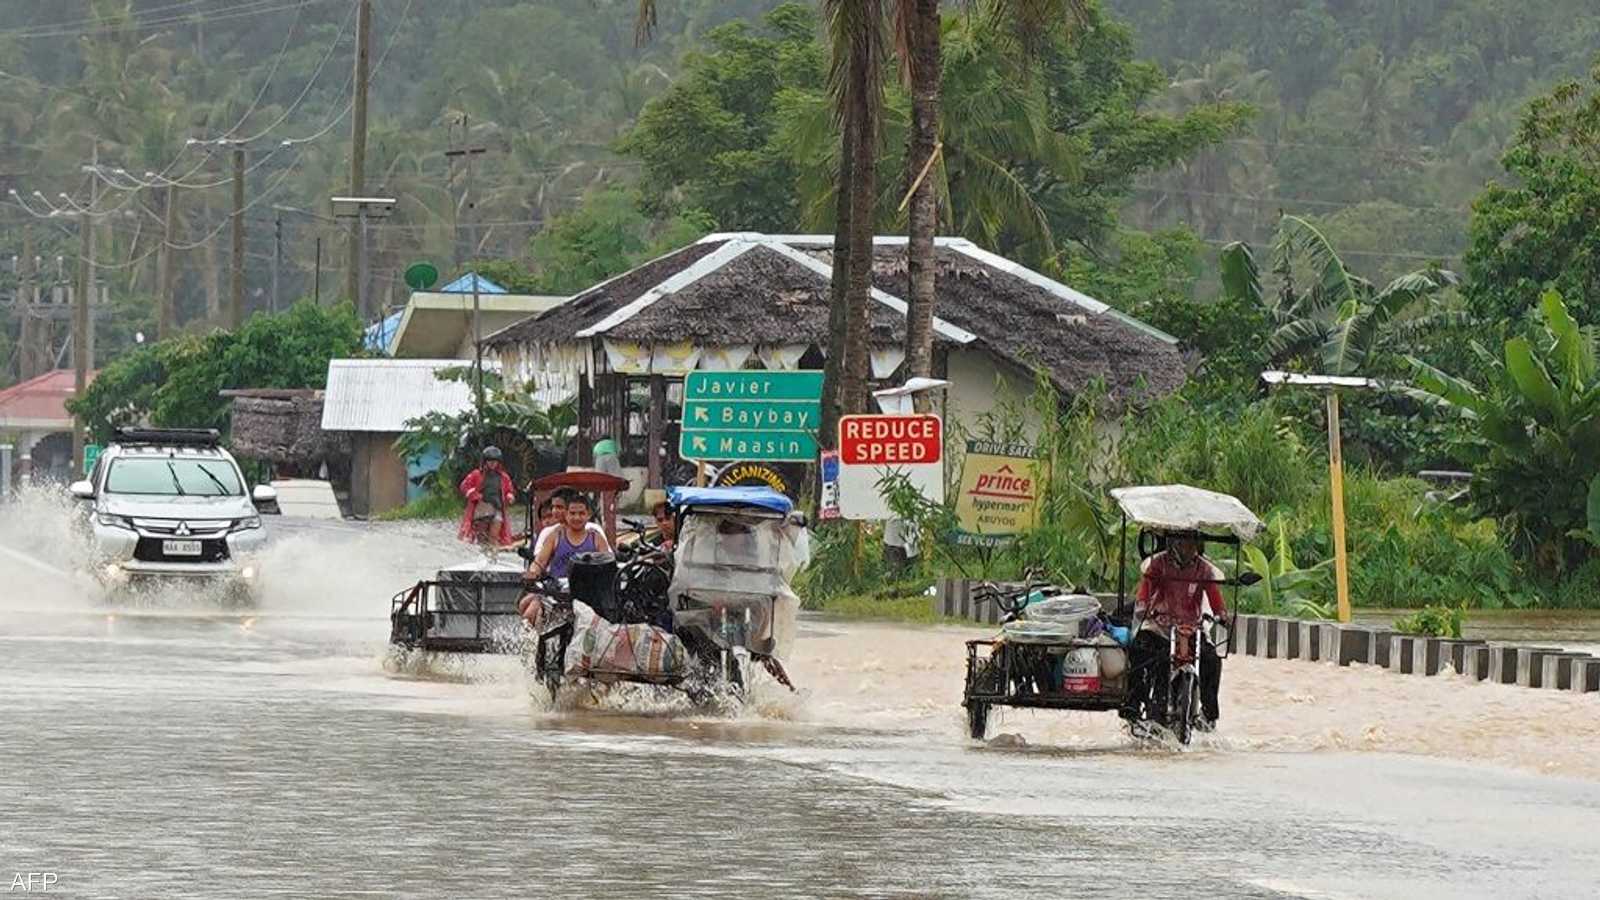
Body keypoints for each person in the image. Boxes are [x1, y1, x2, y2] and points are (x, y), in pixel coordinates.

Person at [1120, 533, 1226, 730]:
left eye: (1192, 542)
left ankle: (1209, 713)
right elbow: (1145, 592)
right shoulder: (1158, 565)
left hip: (1191, 627)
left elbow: (1215, 599)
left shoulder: (1203, 569)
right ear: (1174, 543)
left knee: (1212, 659)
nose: (1188, 547)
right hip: (1160, 627)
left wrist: (1222, 615)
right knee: (1140, 650)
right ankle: (1134, 704)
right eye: (1183, 541)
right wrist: (1143, 605)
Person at [525, 492, 613, 582]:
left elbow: (607, 566)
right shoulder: (554, 537)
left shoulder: (597, 539)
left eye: (581, 513)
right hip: (558, 591)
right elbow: (539, 562)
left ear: (588, 515)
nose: (577, 518)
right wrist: (532, 572)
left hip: (590, 591)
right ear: (566, 514)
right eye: (572, 513)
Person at [457, 447, 515, 547]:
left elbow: (509, 490)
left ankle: (492, 557)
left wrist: (510, 496)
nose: (492, 463)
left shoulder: (503, 477)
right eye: (490, 461)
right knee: (481, 536)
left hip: (497, 508)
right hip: (482, 508)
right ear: (485, 461)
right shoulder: (476, 474)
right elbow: (464, 486)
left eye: (495, 461)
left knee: (494, 536)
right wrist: (474, 494)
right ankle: (482, 556)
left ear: (498, 462)